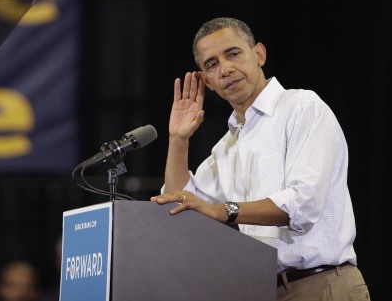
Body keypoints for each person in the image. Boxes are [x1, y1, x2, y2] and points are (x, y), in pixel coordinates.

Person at [150, 17, 370, 300]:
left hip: (322, 285)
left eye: (232, 54)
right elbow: (180, 205)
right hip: (259, 291)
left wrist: (223, 210)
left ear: (259, 54)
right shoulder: (226, 147)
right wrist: (178, 140)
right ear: (207, 81)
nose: (225, 69)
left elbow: (303, 204)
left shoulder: (303, 107)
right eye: (212, 64)